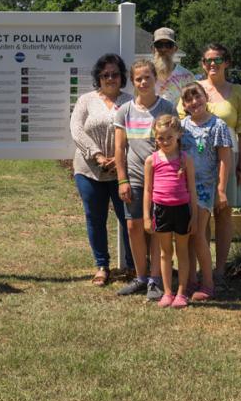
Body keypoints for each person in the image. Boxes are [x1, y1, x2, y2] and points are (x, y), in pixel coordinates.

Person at [190, 43, 241, 282]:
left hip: (229, 158)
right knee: (201, 213)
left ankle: (220, 269)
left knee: (223, 212)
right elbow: (182, 121)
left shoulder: (237, 92)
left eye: (217, 60)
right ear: (202, 64)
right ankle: (202, 269)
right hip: (199, 161)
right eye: (207, 61)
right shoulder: (194, 90)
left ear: (227, 62)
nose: (212, 65)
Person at [113, 59, 175, 296]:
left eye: (147, 77)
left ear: (155, 79)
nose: (143, 82)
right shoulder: (125, 111)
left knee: (159, 229)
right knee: (133, 226)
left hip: (162, 179)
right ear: (132, 82)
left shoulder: (166, 108)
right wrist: (122, 180)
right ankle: (140, 277)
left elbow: (176, 143)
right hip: (135, 179)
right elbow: (119, 149)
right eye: (138, 78)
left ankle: (156, 279)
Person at [70, 53, 133, 286]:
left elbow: (136, 134)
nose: (110, 78)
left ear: (122, 77)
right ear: (98, 77)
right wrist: (96, 154)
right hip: (89, 169)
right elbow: (76, 129)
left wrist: (119, 160)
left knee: (128, 218)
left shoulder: (130, 102)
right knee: (95, 219)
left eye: (115, 74)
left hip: (121, 171)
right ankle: (102, 266)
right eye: (105, 74)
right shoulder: (86, 100)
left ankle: (132, 266)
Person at [180, 82, 231, 300]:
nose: (194, 102)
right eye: (189, 99)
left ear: (205, 97)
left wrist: (221, 189)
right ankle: (190, 280)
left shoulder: (217, 126)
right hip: (183, 187)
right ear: (184, 104)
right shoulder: (181, 127)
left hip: (204, 186)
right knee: (187, 235)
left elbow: (224, 160)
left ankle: (208, 283)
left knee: (199, 234)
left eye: (197, 96)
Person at [143, 115, 197, 307]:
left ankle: (181, 293)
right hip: (161, 210)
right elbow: (148, 190)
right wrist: (147, 216)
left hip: (182, 210)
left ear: (178, 136)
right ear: (155, 138)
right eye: (160, 138)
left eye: (169, 138)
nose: (165, 142)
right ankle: (167, 292)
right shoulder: (152, 160)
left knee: (182, 252)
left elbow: (192, 189)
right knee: (165, 252)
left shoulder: (185, 159)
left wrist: (195, 216)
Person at [152, 27, 195, 105]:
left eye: (168, 45)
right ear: (153, 49)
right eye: (159, 45)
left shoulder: (187, 76)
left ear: (175, 49)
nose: (163, 49)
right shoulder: (145, 74)